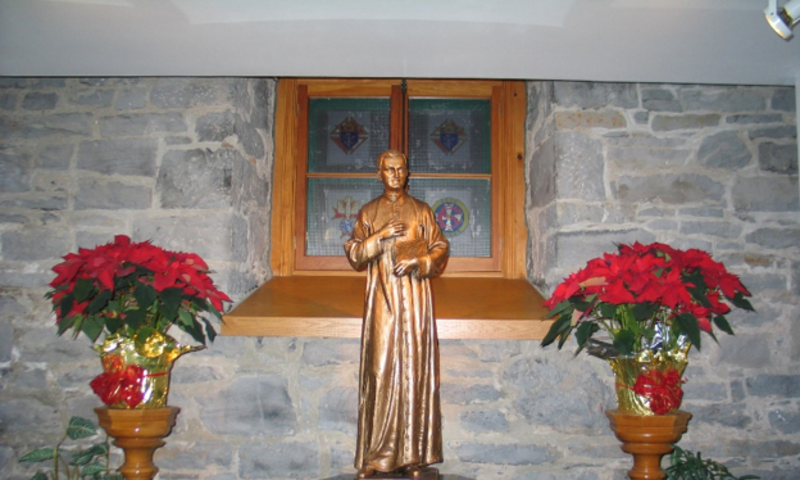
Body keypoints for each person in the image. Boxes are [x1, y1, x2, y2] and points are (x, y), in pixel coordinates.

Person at [344, 150, 449, 479]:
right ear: (379, 173)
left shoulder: (421, 211)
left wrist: (420, 262)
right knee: (380, 371)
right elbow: (356, 255)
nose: (395, 174)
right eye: (388, 169)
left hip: (415, 303)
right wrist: (380, 236)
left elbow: (440, 247)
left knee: (413, 372)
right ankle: (375, 456)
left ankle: (412, 455)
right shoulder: (369, 212)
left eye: (401, 169)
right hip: (381, 303)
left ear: (408, 173)